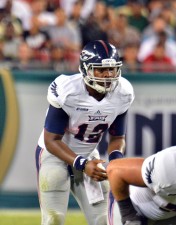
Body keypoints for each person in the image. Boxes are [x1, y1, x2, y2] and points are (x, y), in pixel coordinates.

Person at [35, 40, 134, 225]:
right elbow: (52, 140)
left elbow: (117, 137)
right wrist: (82, 164)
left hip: (89, 156)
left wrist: (116, 162)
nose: (107, 75)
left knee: (102, 220)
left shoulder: (123, 92)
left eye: (112, 69)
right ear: (85, 69)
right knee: (53, 219)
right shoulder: (68, 91)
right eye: (100, 69)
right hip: (54, 155)